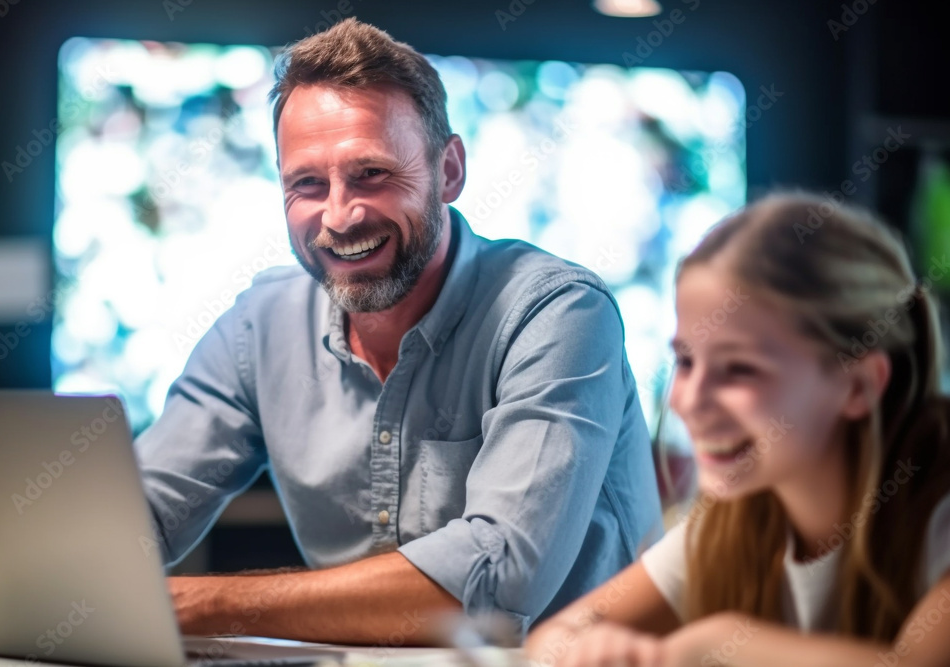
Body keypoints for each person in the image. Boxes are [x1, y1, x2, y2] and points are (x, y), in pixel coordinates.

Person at [134, 19, 662, 645]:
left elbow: (497, 584)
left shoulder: (557, 313)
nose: (339, 215)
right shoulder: (259, 326)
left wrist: (200, 605)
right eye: (307, 183)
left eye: (372, 175)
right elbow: (134, 519)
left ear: (450, 171)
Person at [525, 194, 950, 666]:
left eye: (740, 369)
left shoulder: (936, 512)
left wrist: (718, 644)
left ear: (857, 385)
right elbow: (555, 636)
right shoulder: (734, 524)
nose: (689, 400)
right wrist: (593, 649)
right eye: (686, 360)